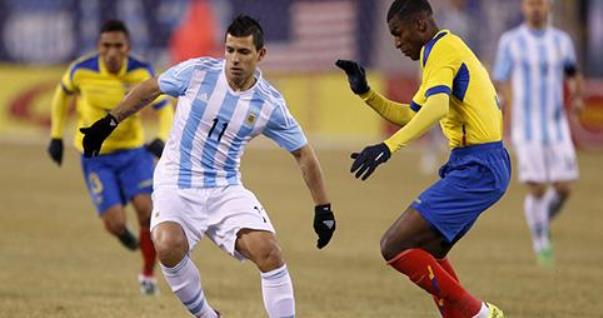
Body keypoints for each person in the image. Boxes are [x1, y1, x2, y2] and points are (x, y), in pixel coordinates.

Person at [79, 15, 336, 318]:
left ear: (261, 55)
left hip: (225, 187)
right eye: (229, 50)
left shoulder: (270, 104)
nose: (234, 60)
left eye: (243, 52)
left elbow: (304, 154)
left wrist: (324, 209)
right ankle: (207, 316)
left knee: (269, 251)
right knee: (167, 245)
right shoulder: (198, 72)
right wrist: (110, 121)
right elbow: (150, 88)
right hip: (176, 180)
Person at [336, 0, 510, 317]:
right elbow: (411, 114)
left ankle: (481, 314)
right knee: (428, 249)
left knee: (393, 244)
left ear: (420, 25)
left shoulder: (444, 49)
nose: (397, 43)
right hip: (475, 164)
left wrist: (388, 148)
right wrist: (366, 93)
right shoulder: (436, 53)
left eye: (398, 34)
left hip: (479, 166)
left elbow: (437, 108)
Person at [47, 19, 174, 295]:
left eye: (118, 45)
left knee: (147, 210)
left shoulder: (142, 72)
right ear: (98, 47)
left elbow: (165, 108)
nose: (112, 52)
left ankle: (147, 274)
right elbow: (61, 94)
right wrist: (56, 135)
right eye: (106, 45)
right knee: (115, 223)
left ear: (128, 47)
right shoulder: (82, 70)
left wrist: (162, 138)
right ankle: (125, 235)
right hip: (96, 157)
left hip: (133, 153)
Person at [493, 0, 583, 266]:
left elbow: (572, 73)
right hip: (526, 127)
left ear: (548, 6)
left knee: (565, 187)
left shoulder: (562, 41)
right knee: (537, 187)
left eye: (540, 3)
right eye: (531, 3)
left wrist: (577, 97)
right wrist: (502, 100)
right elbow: (500, 78)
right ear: (523, 7)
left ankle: (539, 220)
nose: (536, 8)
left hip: (556, 126)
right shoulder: (511, 41)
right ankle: (541, 238)